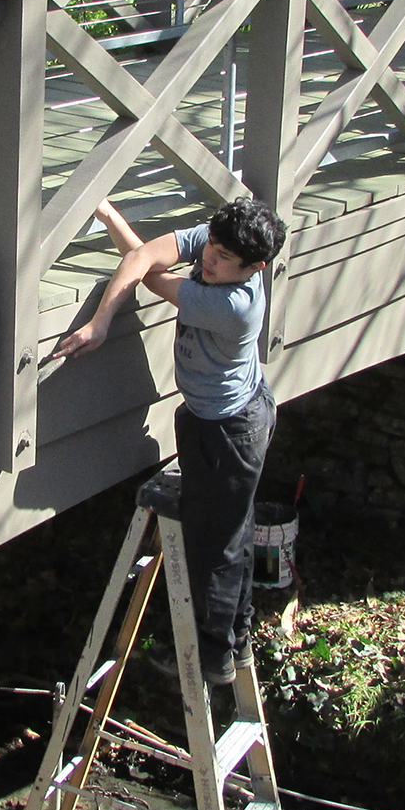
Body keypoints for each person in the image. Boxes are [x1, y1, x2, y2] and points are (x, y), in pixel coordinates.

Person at [54, 196, 289, 711]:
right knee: (230, 530)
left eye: (226, 258)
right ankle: (234, 635)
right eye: (213, 246)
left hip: (229, 431)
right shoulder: (217, 245)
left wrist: (102, 320)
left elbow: (151, 275)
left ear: (256, 268)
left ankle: (215, 656)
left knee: (217, 544)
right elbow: (141, 260)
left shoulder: (234, 304)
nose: (211, 257)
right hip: (215, 419)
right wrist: (112, 219)